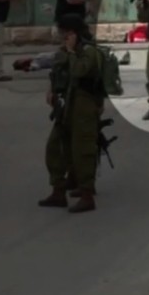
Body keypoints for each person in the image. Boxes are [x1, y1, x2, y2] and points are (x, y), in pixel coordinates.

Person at [38, 13, 103, 213]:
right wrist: (51, 90)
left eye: (65, 33)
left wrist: (72, 51)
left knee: (82, 150)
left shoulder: (89, 52)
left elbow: (79, 71)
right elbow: (57, 70)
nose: (62, 37)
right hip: (65, 104)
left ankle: (86, 195)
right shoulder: (66, 50)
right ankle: (59, 190)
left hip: (84, 104)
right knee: (55, 146)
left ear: (74, 33)